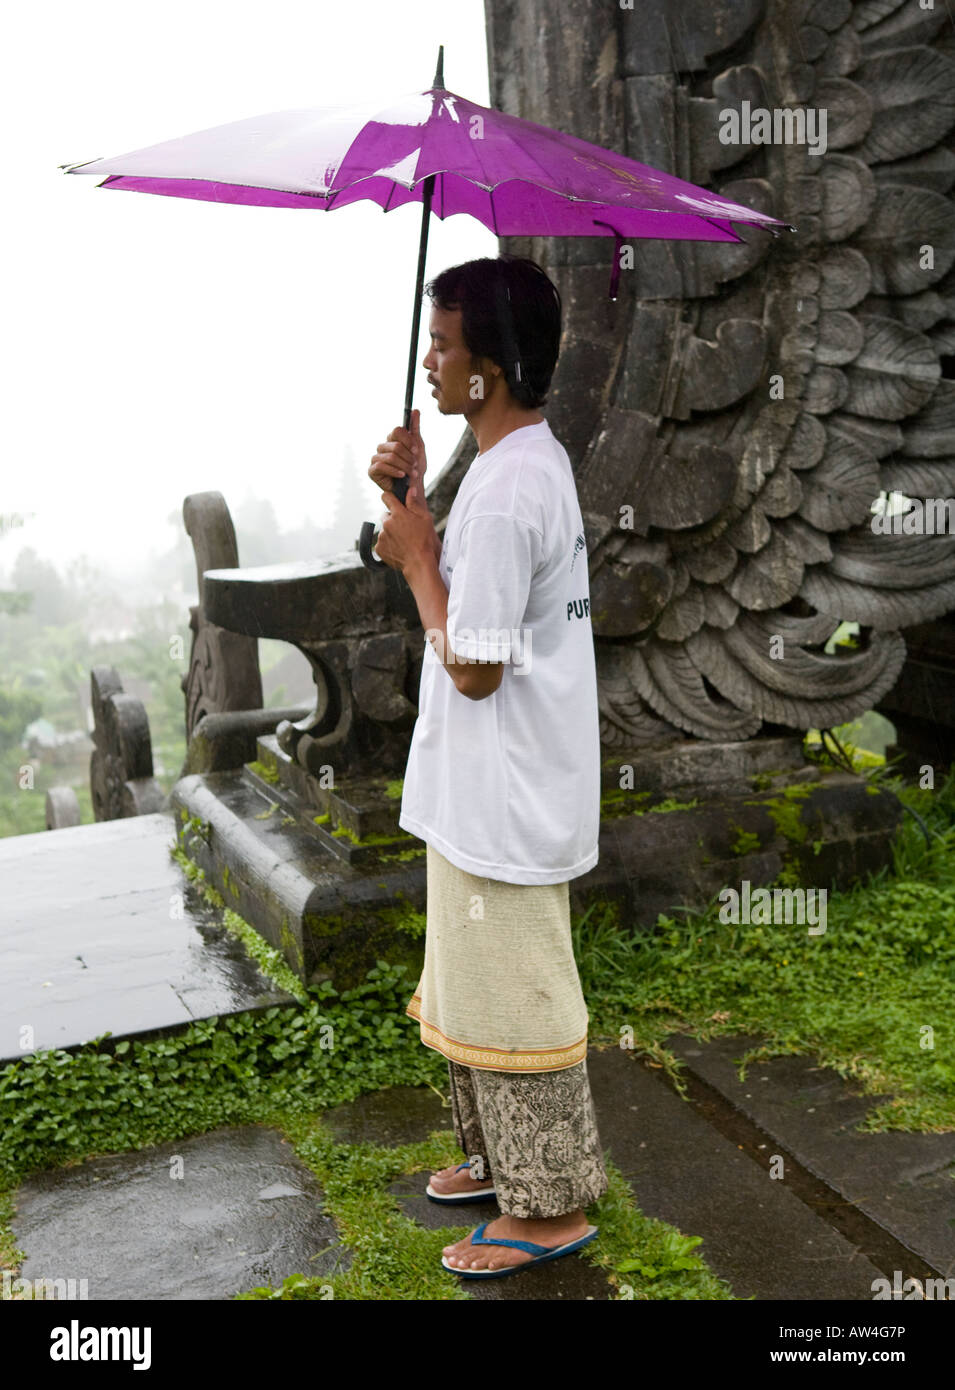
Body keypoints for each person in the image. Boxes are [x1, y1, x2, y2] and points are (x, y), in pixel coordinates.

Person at [368, 254, 608, 1279]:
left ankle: (550, 1206)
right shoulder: (506, 463)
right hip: (486, 785)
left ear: (492, 366)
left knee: (516, 993)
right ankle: (497, 1157)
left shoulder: (509, 491)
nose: (429, 364)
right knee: (470, 981)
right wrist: (417, 498)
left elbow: (473, 665)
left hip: (506, 787)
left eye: (443, 347)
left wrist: (418, 560)